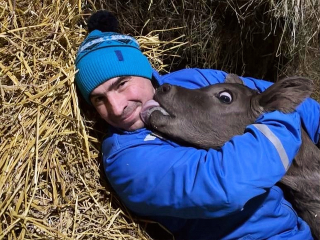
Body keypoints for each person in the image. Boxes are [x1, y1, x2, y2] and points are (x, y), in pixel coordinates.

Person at [75, 10, 320, 240]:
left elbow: (289, 102)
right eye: (99, 99)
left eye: (121, 84)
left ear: (143, 70)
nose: (117, 108)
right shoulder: (127, 160)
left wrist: (280, 107)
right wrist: (279, 112)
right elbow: (226, 185)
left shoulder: (191, 80)